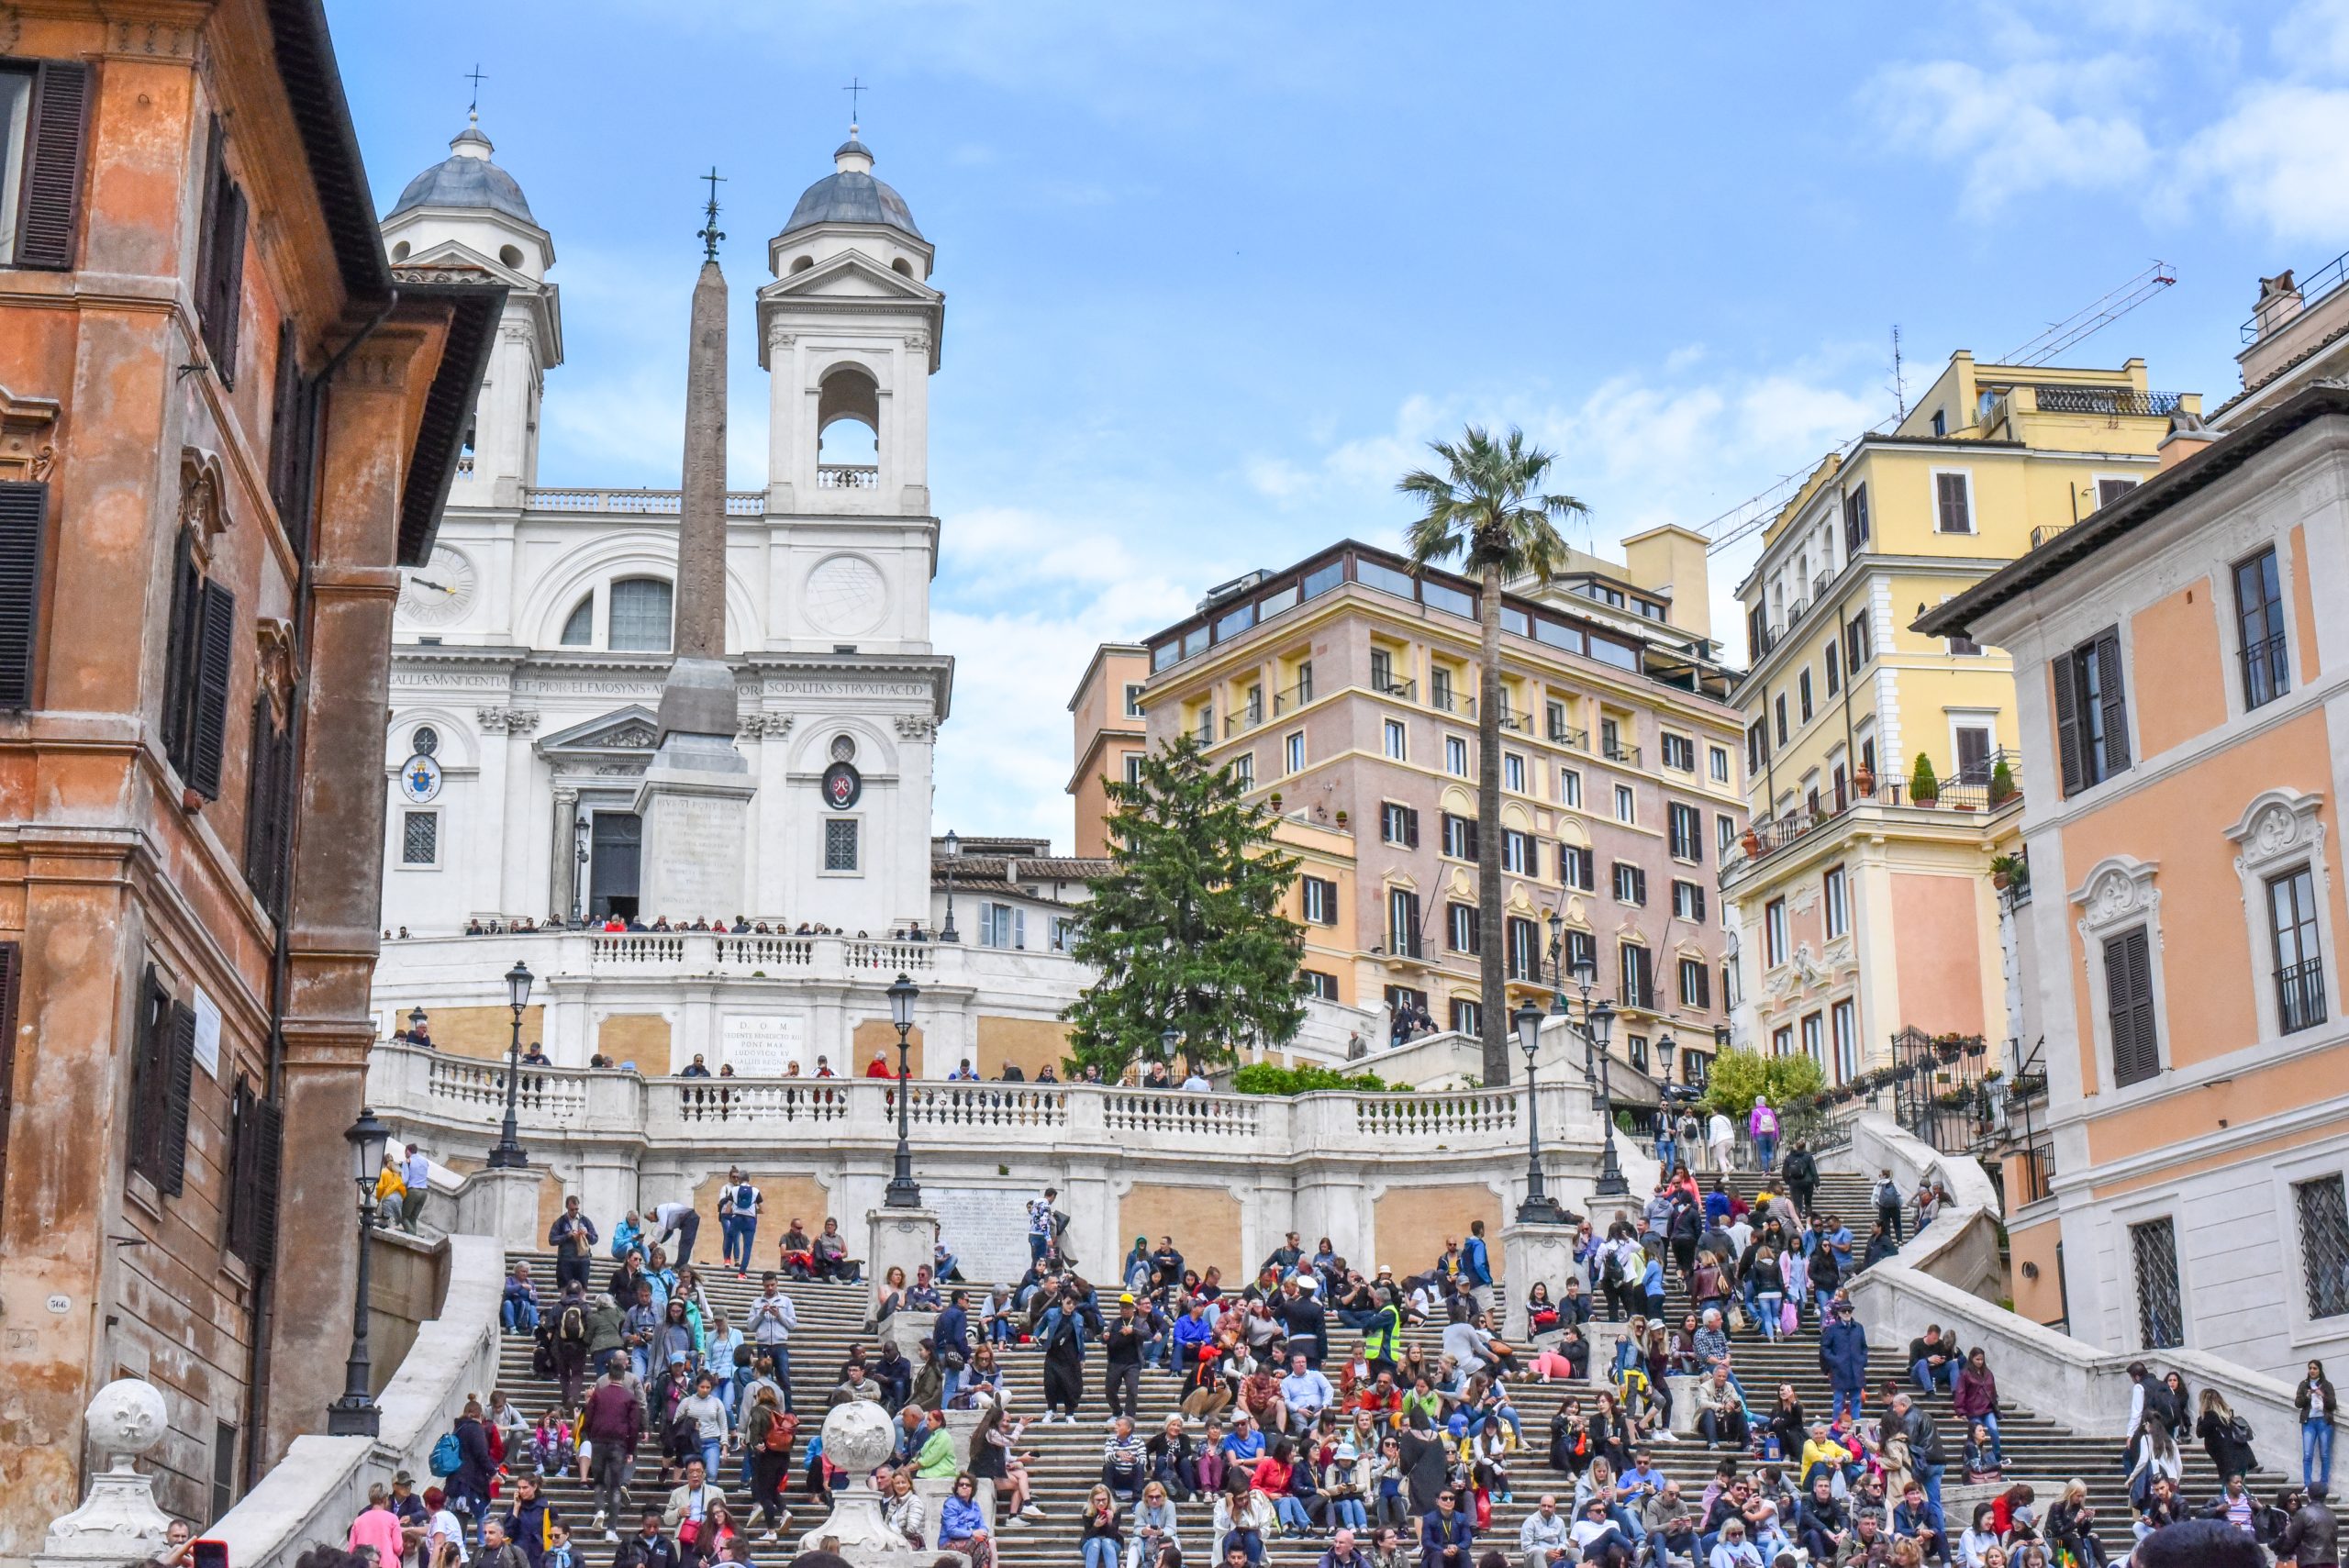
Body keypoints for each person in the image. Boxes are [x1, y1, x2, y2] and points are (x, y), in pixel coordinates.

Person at [583, 1357, 643, 1539]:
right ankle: (611, 1529)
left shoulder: (598, 1394)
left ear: (609, 1377)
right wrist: (631, 1450)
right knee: (616, 1486)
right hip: (619, 1444)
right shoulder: (630, 1398)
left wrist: (590, 1436)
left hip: (599, 1441)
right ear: (623, 1377)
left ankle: (600, 1510)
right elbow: (634, 1426)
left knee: (599, 1481)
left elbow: (588, 1417)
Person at [1820, 1300, 1868, 1423]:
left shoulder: (1858, 1328)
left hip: (1856, 1369)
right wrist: (1835, 1360)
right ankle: (1836, 1424)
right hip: (1839, 1370)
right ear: (1839, 1313)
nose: (1847, 1313)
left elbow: (1864, 1346)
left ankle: (1856, 1424)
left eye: (1849, 1311)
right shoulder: (1832, 1329)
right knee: (1839, 1400)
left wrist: (1862, 1359)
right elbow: (1824, 1348)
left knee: (1856, 1399)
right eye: (1844, 1311)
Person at [351, 1484, 410, 1564]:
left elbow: (351, 1550)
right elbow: (398, 1548)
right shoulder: (393, 1519)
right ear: (385, 1499)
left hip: (363, 1564)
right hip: (387, 1564)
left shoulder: (358, 1520)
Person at [2303, 1361, 2340, 1491]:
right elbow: (2298, 1403)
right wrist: (2307, 1396)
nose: (2312, 1370)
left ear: (2320, 1370)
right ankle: (2307, 1485)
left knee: (2324, 1454)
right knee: (2307, 1454)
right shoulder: (2304, 1384)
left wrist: (2322, 1394)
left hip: (2323, 1421)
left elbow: (2332, 1404)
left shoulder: (2327, 1385)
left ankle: (2323, 1485)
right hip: (2308, 1422)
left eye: (2315, 1368)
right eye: (2310, 1368)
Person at [2279, 1485, 2337, 1567]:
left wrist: (2283, 1551)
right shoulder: (2331, 1514)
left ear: (2308, 1495)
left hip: (2310, 1562)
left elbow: (2293, 1539)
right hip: (2331, 1561)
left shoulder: (2303, 1513)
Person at [1419, 1488, 1474, 1568]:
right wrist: (1442, 1550)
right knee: (1438, 1555)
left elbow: (1467, 1540)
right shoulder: (1429, 1518)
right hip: (1436, 1555)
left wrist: (1457, 1548)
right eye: (1445, 1499)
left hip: (1455, 1553)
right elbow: (1426, 1541)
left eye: (1451, 1498)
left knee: (1464, 1554)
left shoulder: (1462, 1517)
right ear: (1437, 1501)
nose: (1448, 1501)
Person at [1084, 1483, 1128, 1568]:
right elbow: (1087, 1537)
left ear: (1108, 1499)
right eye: (1098, 1500)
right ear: (1093, 1500)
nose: (1101, 1503)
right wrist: (1095, 1526)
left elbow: (1113, 1536)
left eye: (1104, 1500)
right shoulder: (1087, 1512)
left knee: (1106, 1542)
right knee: (1095, 1542)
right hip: (1091, 1547)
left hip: (1111, 1546)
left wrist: (1110, 1522)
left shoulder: (1116, 1510)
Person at [1748, 1098, 1779, 1172]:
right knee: (1770, 1150)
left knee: (1763, 1152)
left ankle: (1766, 1171)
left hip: (1760, 1133)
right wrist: (1776, 1135)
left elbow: (1753, 1124)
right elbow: (1775, 1123)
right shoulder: (1769, 1111)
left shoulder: (1755, 1112)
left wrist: (1753, 1135)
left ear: (1756, 1103)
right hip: (1771, 1133)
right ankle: (1771, 1162)